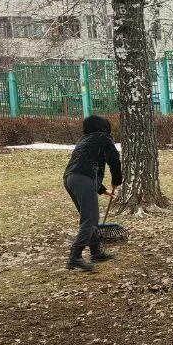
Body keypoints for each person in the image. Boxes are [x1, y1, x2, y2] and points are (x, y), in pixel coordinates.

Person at [63, 114, 122, 272]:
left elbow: (85, 165)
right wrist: (117, 180)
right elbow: (114, 159)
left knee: (89, 217)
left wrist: (102, 190)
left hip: (70, 178)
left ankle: (96, 252)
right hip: (83, 179)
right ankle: (74, 257)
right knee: (90, 219)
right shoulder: (104, 137)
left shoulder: (83, 140)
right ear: (103, 127)